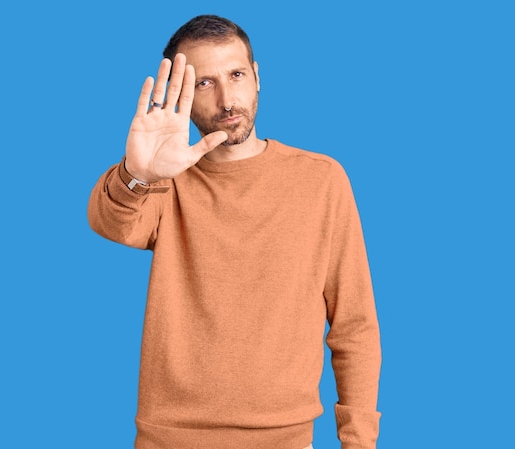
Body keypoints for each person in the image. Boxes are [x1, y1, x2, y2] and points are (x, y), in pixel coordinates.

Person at [87, 14, 381, 449]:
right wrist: (137, 173)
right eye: (204, 83)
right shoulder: (164, 181)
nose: (227, 99)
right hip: (170, 438)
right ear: (181, 96)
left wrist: (359, 441)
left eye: (236, 75)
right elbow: (111, 224)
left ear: (257, 76)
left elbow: (354, 324)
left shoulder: (322, 180)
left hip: (286, 439)